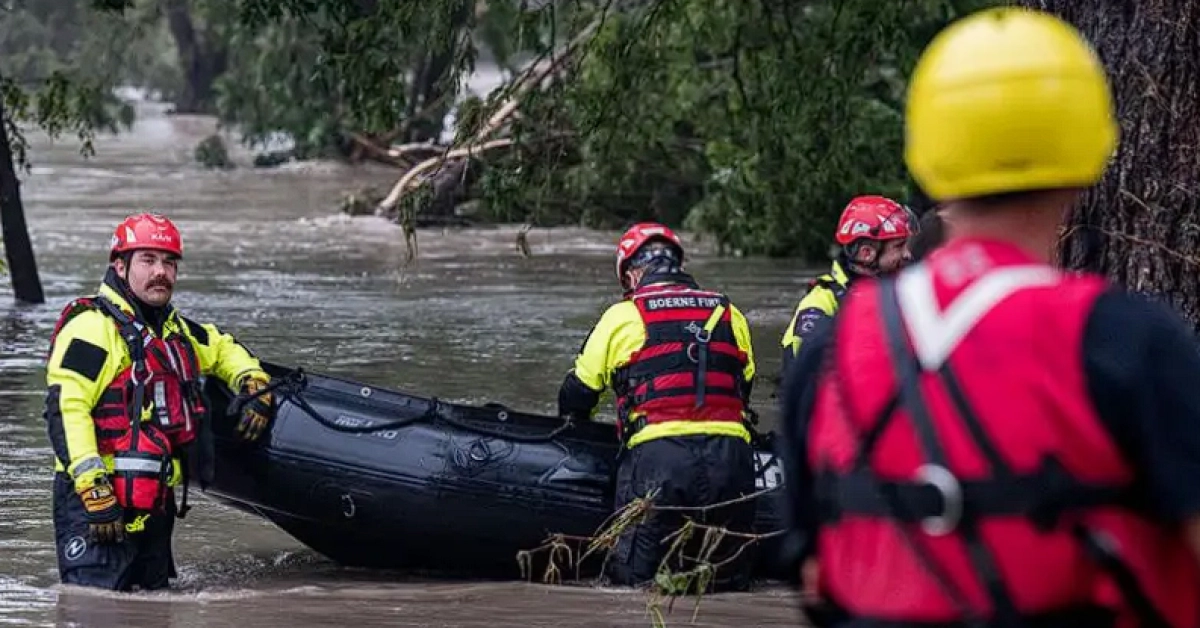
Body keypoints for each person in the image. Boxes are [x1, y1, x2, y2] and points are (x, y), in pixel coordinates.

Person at [780, 7, 1200, 628]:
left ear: (929, 158)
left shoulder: (828, 353)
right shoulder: (1133, 343)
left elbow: (813, 575)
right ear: (1088, 155)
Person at [43, 212, 276, 592]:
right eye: (148, 260)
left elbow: (222, 348)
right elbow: (66, 409)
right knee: (92, 607)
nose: (161, 272)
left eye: (169, 262)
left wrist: (252, 382)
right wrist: (93, 489)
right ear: (120, 266)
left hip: (154, 502)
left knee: (151, 609)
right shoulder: (92, 327)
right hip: (96, 502)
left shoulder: (174, 330)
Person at [556, 222, 758, 592]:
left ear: (633, 274)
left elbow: (577, 394)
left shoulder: (623, 316)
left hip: (660, 462)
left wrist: (576, 439)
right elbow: (743, 386)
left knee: (634, 584)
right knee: (727, 583)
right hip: (732, 462)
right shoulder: (731, 313)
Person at [780, 195, 916, 375]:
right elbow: (806, 379)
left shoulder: (902, 295)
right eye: (899, 246)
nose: (908, 255)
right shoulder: (821, 304)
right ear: (866, 253)